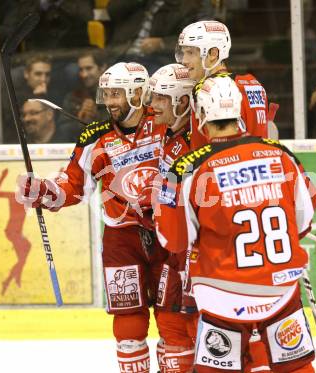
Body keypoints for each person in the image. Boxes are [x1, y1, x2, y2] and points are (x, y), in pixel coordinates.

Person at [155, 75, 316, 372]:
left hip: (223, 295)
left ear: (201, 115)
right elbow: (305, 221)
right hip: (279, 290)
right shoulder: (281, 155)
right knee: (294, 367)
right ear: (240, 111)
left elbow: (174, 240)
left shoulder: (188, 168)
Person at [16, 62, 168, 373]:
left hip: (169, 235)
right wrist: (42, 190)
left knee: (174, 320)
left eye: (118, 94)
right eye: (107, 94)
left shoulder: (167, 124)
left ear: (139, 93)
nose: (110, 101)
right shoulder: (95, 138)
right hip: (121, 240)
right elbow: (73, 186)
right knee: (128, 326)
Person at [144, 63, 197, 372]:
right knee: (168, 320)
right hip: (171, 250)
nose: (153, 105)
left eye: (161, 98)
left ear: (181, 101)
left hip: (190, 251)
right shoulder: (170, 136)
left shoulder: (197, 143)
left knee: (192, 323)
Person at [175, 20, 274, 149]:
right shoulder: (253, 83)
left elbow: (199, 152)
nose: (184, 61)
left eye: (190, 53)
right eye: (184, 53)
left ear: (213, 54)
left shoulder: (205, 91)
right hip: (259, 163)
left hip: (224, 167)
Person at [60, 49, 108, 137]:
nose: (84, 74)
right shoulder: (73, 97)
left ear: (102, 68)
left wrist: (97, 117)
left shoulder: (115, 95)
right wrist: (80, 120)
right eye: (81, 70)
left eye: (89, 68)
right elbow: (62, 130)